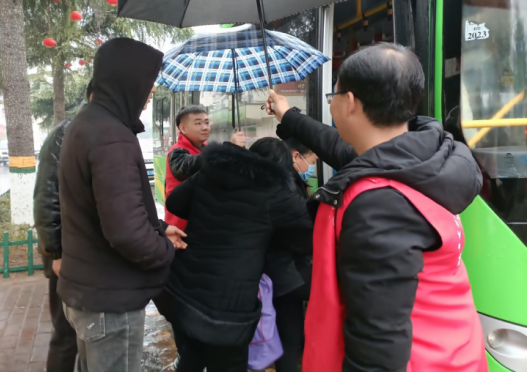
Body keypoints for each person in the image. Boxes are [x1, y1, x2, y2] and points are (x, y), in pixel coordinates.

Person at [266, 42, 488, 372]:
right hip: (453, 352)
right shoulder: (425, 160)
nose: (331, 104)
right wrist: (288, 115)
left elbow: (378, 348)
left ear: (350, 103)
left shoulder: (378, 204)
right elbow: (337, 146)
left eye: (332, 96)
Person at [57, 38, 185, 372]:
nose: (151, 91)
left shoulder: (85, 124)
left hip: (88, 292)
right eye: (148, 81)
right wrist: (164, 251)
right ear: (128, 79)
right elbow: (127, 232)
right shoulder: (111, 136)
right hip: (109, 302)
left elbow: (105, 208)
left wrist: (158, 229)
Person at [165, 138, 314, 372]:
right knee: (229, 363)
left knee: (192, 356)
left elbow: (175, 202)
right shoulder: (275, 193)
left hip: (187, 289)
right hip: (230, 302)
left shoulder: (212, 172)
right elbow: (309, 234)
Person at [33, 79, 94, 372]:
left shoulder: (91, 130)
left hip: (82, 253)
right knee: (66, 334)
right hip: (66, 254)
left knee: (84, 333)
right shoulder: (67, 133)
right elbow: (46, 197)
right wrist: (55, 253)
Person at [264, 136, 317, 372]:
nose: (312, 166)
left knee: (289, 333)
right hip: (285, 272)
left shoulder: (279, 183)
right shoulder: (285, 190)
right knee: (290, 335)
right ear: (296, 156)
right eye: (312, 160)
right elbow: (302, 235)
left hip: (279, 271)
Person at [165, 105, 246, 230]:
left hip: (204, 222)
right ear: (183, 128)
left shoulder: (206, 148)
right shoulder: (176, 152)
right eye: (198, 123)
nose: (205, 127)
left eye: (207, 123)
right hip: (182, 226)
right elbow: (186, 168)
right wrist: (227, 148)